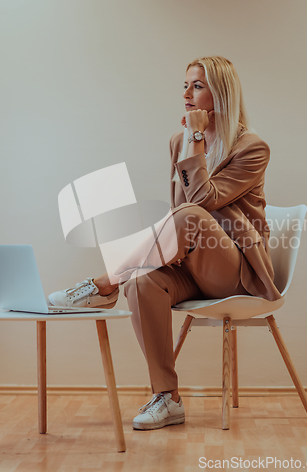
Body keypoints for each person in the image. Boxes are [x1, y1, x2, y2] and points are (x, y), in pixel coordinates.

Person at [48, 56, 281, 431]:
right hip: (192, 262)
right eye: (185, 85)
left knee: (190, 216)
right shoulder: (179, 141)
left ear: (220, 93)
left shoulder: (252, 147)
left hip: (235, 271)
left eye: (197, 86)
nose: (187, 94)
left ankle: (103, 284)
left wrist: (198, 138)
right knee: (141, 283)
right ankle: (167, 398)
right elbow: (180, 212)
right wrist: (191, 139)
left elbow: (199, 203)